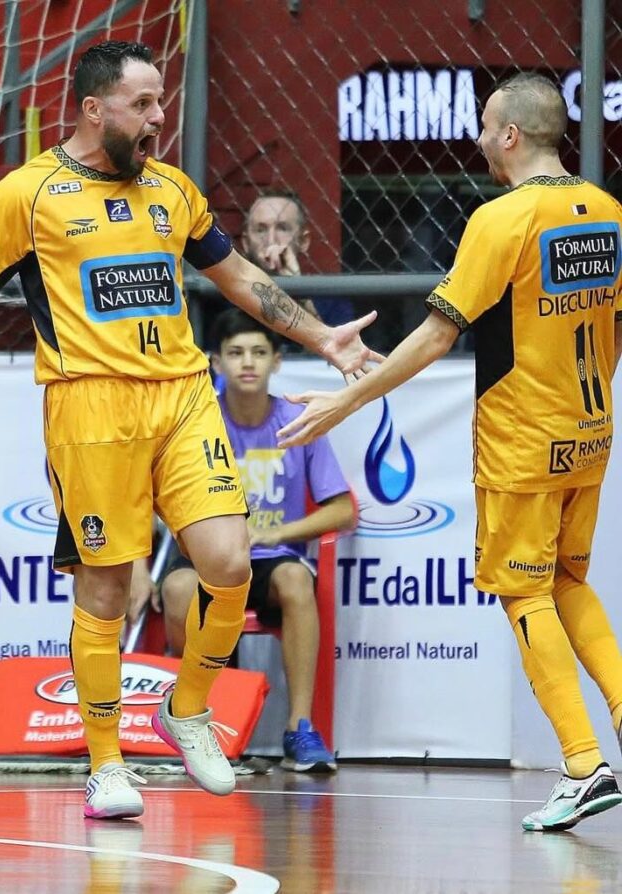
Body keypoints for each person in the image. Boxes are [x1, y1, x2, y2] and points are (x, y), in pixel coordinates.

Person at [0, 40, 380, 820]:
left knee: (227, 561)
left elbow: (239, 277)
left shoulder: (174, 192)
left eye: (161, 102)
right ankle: (107, 764)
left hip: (184, 397)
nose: (159, 118)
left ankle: (188, 710)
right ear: (94, 109)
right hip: (90, 408)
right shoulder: (30, 192)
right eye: (143, 104)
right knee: (108, 587)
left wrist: (321, 337)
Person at [277, 72, 622, 831]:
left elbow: (438, 333)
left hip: (523, 438)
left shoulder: (503, 220)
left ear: (508, 135)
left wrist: (346, 398)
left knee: (526, 591)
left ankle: (583, 763)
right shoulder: (607, 211)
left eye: (482, 126)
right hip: (589, 434)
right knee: (569, 580)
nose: (475, 140)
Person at [152, 309, 353, 773]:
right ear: (215, 363)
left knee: (296, 583)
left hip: (270, 557)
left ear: (277, 362)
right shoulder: (198, 422)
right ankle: (205, 721)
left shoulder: (298, 420)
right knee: (178, 590)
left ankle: (300, 728)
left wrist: (276, 533)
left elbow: (342, 509)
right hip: (207, 558)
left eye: (259, 353)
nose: (248, 363)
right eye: (236, 353)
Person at [240, 190, 354, 328]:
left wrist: (300, 293)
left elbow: (332, 347)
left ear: (303, 241)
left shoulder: (331, 298)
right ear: (246, 243)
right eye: (261, 230)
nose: (271, 240)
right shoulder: (227, 293)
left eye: (282, 228)